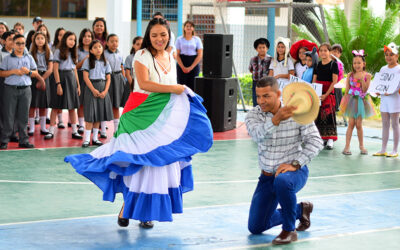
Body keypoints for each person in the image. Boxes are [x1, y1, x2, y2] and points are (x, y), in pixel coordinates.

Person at [65, 18, 212, 229]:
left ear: (169, 35)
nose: (159, 39)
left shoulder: (170, 54)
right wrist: (176, 89)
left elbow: (169, 88)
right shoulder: (142, 55)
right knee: (137, 163)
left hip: (162, 117)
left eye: (163, 34)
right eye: (154, 35)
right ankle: (127, 207)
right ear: (148, 37)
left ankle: (145, 214)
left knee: (157, 163)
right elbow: (143, 84)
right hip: (139, 115)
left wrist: (179, 93)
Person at [245, 76, 323, 245]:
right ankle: (300, 210)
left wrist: (295, 164)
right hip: (266, 177)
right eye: (258, 96)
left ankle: (289, 230)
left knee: (282, 181)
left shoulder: (298, 112)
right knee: (255, 226)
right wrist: (276, 119)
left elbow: (316, 141)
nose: (261, 101)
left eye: (266, 96)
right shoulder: (253, 115)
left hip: (294, 173)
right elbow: (257, 136)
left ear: (278, 93)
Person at [0, 34, 45, 149]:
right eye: (18, 43)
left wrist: (29, 72)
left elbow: (36, 73)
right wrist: (13, 71)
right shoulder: (7, 59)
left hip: (25, 90)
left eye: (23, 43)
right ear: (13, 44)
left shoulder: (29, 57)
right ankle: (4, 140)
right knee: (8, 116)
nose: (20, 46)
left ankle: (23, 140)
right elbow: (1, 73)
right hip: (10, 89)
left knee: (23, 116)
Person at [45, 31, 82, 140]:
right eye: (70, 39)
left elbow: (75, 69)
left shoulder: (74, 52)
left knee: (72, 107)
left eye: (74, 40)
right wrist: (58, 84)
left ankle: (75, 131)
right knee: (55, 106)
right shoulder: (58, 51)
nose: (72, 42)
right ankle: (51, 131)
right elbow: (55, 69)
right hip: (61, 78)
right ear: (65, 39)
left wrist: (78, 85)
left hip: (71, 80)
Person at [340, 50, 376, 155]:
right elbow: (347, 90)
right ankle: (347, 147)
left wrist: (362, 80)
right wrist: (344, 103)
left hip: (361, 101)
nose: (357, 65)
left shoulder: (367, 75)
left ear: (364, 64)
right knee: (351, 123)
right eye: (355, 63)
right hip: (351, 101)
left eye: (359, 62)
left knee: (359, 124)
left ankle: (362, 146)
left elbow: (365, 90)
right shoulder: (350, 75)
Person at [81, 40, 113, 147]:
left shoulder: (106, 62)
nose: (98, 48)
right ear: (91, 50)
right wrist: (93, 89)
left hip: (102, 87)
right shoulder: (88, 61)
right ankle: (86, 139)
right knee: (90, 115)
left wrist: (105, 91)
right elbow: (85, 77)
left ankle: (95, 138)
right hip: (91, 88)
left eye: (100, 46)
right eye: (95, 47)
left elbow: (108, 78)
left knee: (98, 115)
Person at [373, 42, 400, 158]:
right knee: (384, 123)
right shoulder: (383, 69)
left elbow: (398, 84)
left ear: (397, 56)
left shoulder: (399, 69)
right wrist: (377, 90)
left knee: (395, 124)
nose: (388, 57)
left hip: (394, 99)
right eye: (386, 55)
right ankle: (383, 148)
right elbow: (380, 83)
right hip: (384, 98)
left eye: (391, 54)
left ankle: (394, 149)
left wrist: (392, 91)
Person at [313, 43, 339, 150]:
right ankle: (321, 138)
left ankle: (330, 139)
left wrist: (325, 95)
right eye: (321, 50)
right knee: (318, 116)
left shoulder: (334, 65)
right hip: (318, 92)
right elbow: (314, 80)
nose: (323, 52)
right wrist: (315, 92)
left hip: (328, 93)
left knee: (329, 115)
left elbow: (334, 82)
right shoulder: (317, 65)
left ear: (329, 52)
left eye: (325, 50)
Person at [28, 32, 53, 136]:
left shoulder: (49, 52)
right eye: (37, 38)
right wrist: (37, 78)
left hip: (45, 77)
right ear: (34, 41)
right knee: (32, 104)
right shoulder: (31, 53)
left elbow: (50, 69)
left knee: (43, 104)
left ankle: (43, 127)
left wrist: (42, 80)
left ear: (45, 40)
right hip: (34, 77)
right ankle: (32, 128)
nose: (40, 40)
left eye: (42, 38)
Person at [104, 34, 128, 133]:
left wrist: (123, 78)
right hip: (108, 79)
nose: (115, 43)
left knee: (116, 105)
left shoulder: (120, 53)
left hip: (118, 79)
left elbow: (122, 66)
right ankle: (103, 129)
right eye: (112, 41)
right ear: (107, 43)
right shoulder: (104, 54)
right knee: (105, 103)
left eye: (116, 41)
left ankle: (116, 129)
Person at [175, 20, 203, 90]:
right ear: (184, 28)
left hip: (193, 63)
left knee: (193, 85)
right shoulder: (179, 39)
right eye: (187, 26)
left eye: (190, 26)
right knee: (181, 85)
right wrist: (182, 67)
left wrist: (191, 67)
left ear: (193, 28)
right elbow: (177, 54)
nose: (189, 28)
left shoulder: (197, 39)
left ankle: (192, 100)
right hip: (182, 62)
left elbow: (200, 54)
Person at [76, 28, 94, 134]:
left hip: (92, 78)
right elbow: (75, 66)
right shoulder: (77, 50)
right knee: (81, 102)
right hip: (81, 76)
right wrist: (84, 60)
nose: (87, 38)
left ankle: (92, 123)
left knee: (91, 102)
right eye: (85, 36)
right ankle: (81, 124)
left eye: (89, 36)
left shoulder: (95, 49)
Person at [249, 38, 271, 107]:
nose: (262, 49)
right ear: (256, 49)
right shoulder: (253, 59)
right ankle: (256, 115)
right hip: (256, 82)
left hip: (266, 83)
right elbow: (251, 69)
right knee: (256, 100)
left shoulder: (270, 59)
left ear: (267, 48)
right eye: (259, 48)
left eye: (263, 47)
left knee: (266, 100)